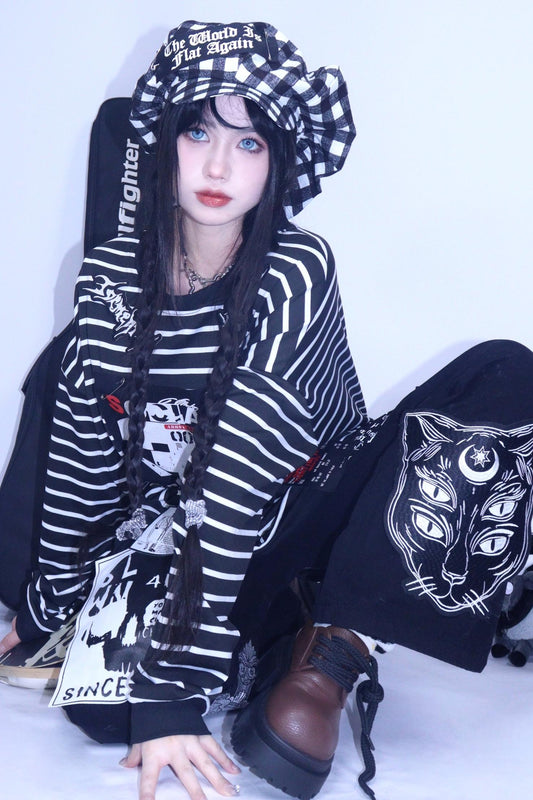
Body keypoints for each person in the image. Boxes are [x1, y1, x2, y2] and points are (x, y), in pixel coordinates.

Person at [1, 19, 533, 800]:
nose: (219, 165)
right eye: (198, 133)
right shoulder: (104, 279)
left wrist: (170, 690)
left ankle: (335, 643)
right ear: (162, 144)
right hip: (181, 542)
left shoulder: (293, 267)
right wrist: (47, 610)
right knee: (102, 716)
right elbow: (80, 461)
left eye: (248, 143)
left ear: (277, 163)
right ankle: (268, 646)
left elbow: (238, 468)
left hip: (309, 518)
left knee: (506, 371)